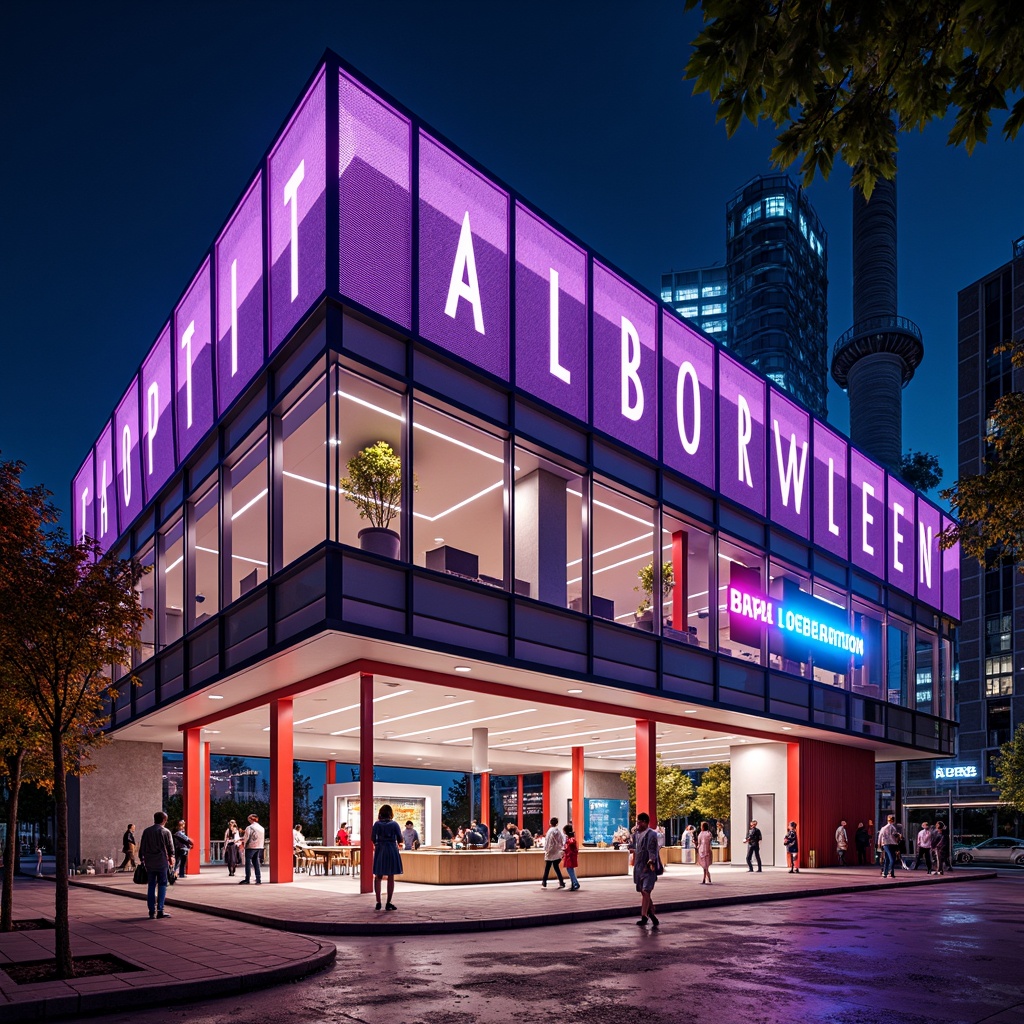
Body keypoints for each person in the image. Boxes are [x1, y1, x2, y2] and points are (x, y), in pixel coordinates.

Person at [138, 811, 175, 919]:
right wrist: (171, 858)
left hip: (149, 862)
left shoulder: (147, 831)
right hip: (162, 862)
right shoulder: (166, 832)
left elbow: (142, 848)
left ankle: (151, 911)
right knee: (163, 884)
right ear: (164, 820)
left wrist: (142, 859)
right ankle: (160, 910)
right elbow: (170, 848)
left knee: (151, 885)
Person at [629, 812, 661, 928]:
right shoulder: (636, 834)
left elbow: (652, 849)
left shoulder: (651, 834)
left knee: (646, 890)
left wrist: (651, 861)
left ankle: (644, 915)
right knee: (642, 891)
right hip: (638, 866)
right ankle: (652, 913)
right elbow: (633, 846)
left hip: (648, 866)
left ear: (644, 822)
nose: (637, 824)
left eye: (639, 822)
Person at [371, 804, 403, 911]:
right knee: (390, 876)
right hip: (391, 849)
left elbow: (372, 837)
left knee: (378, 876)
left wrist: (377, 843)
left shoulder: (376, 824)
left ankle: (378, 902)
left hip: (380, 849)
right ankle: (388, 902)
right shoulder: (394, 824)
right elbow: (400, 838)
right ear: (391, 813)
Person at [239, 813, 265, 884]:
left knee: (248, 863)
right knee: (256, 862)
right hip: (259, 846)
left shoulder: (249, 827)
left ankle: (247, 879)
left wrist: (242, 842)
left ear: (251, 819)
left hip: (250, 846)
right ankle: (258, 878)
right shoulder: (261, 828)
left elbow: (246, 837)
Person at [541, 817, 566, 888]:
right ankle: (561, 882)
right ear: (557, 823)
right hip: (557, 852)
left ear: (550, 823)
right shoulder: (558, 831)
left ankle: (544, 881)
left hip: (550, 852)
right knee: (556, 867)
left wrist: (546, 850)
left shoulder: (549, 831)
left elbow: (547, 842)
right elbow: (561, 841)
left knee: (547, 867)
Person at [877, 814, 900, 879]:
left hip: (885, 844)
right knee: (892, 858)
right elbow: (895, 836)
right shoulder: (893, 828)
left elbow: (880, 836)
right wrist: (898, 836)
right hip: (892, 844)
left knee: (887, 858)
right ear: (893, 820)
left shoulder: (883, 828)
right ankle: (891, 872)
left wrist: (879, 844)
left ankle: (885, 872)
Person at [562, 823, 580, 890]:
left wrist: (565, 850)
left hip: (570, 857)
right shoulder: (571, 838)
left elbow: (570, 847)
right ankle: (574, 883)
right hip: (570, 856)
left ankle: (575, 883)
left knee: (570, 870)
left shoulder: (570, 839)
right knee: (570, 870)